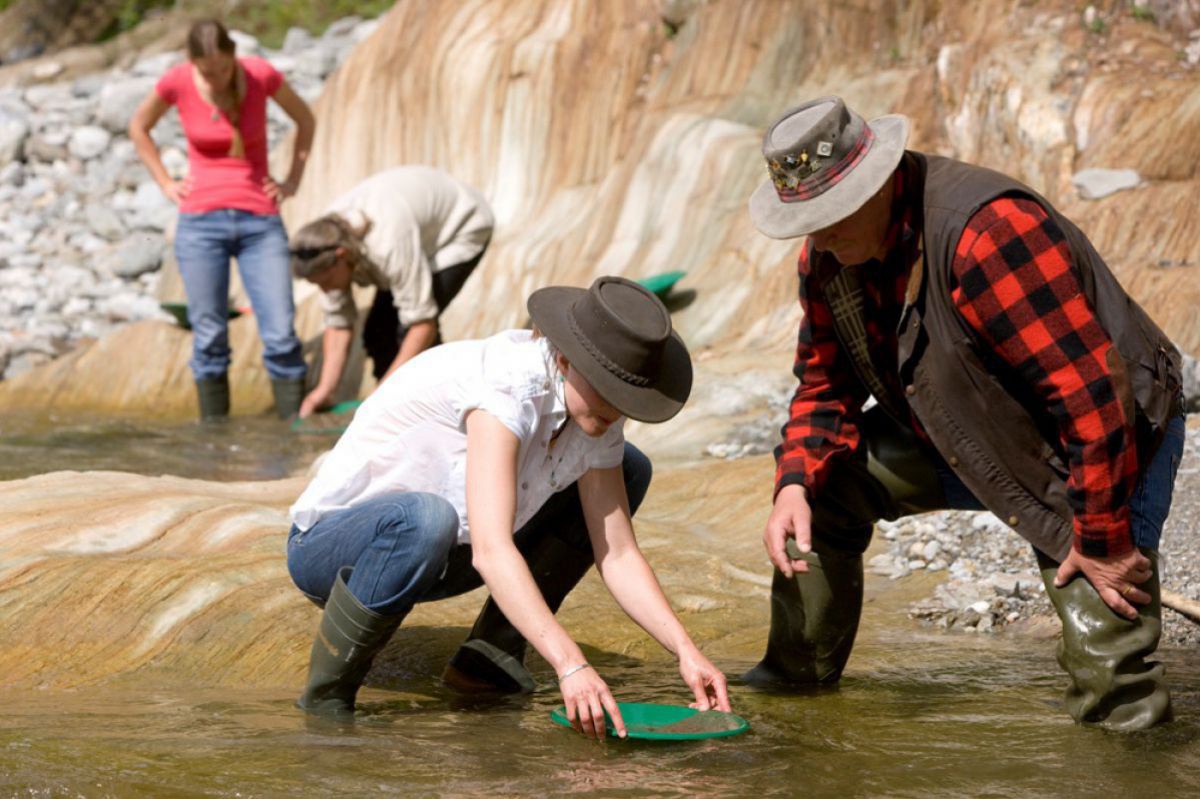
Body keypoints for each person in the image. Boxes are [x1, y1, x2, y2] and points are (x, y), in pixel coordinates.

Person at [744, 96, 1185, 731]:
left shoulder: (989, 233)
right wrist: (792, 484)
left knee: (1111, 661)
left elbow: (1090, 396)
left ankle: (1136, 755)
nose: (821, 235)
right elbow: (822, 388)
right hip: (960, 428)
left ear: (882, 183)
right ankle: (794, 694)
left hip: (1102, 437)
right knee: (821, 489)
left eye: (833, 214)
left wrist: (1103, 543)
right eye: (808, 220)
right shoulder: (829, 258)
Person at [285, 276, 731, 736]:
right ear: (564, 359)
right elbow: (492, 551)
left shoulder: (595, 408)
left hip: (446, 551)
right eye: (607, 392)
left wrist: (685, 650)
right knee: (425, 519)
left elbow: (617, 553)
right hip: (337, 551)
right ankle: (326, 700)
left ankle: (487, 658)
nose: (616, 412)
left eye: (626, 400)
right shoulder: (507, 388)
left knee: (631, 467)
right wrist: (570, 665)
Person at [129, 19, 315, 420]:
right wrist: (165, 182)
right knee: (210, 336)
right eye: (206, 72)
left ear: (234, 57)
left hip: (260, 221)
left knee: (281, 331)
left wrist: (292, 180)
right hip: (200, 223)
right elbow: (139, 127)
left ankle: (294, 439)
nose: (215, 79)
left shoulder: (260, 76)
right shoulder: (178, 81)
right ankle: (215, 446)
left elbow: (306, 120)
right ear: (192, 62)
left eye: (223, 69)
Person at [288, 166, 494, 417]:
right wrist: (323, 392)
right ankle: (398, 410)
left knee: (407, 331)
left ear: (341, 256)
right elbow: (339, 324)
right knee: (377, 333)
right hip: (413, 226)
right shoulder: (322, 242)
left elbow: (422, 324)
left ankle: (447, 411)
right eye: (317, 284)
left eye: (327, 280)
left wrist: (379, 398)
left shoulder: (388, 245)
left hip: (460, 227)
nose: (325, 289)